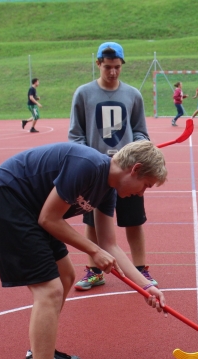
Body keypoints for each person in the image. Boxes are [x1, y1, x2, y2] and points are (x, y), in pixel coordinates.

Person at [0, 141, 168, 359]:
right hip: (9, 199)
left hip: (33, 209)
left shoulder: (108, 188)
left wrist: (147, 287)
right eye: (146, 186)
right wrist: (93, 250)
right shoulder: (89, 165)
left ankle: (39, 354)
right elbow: (49, 218)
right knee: (50, 290)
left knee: (65, 275)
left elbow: (110, 244)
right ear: (135, 169)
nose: (142, 193)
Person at [69, 41, 156, 293]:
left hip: (128, 173)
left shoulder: (132, 95)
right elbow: (76, 135)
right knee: (92, 222)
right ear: (98, 64)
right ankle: (94, 271)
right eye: (107, 67)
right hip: (95, 175)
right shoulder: (84, 94)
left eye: (117, 67)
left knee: (134, 220)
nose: (113, 72)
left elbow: (141, 131)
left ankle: (140, 270)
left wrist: (136, 150)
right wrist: (89, 162)